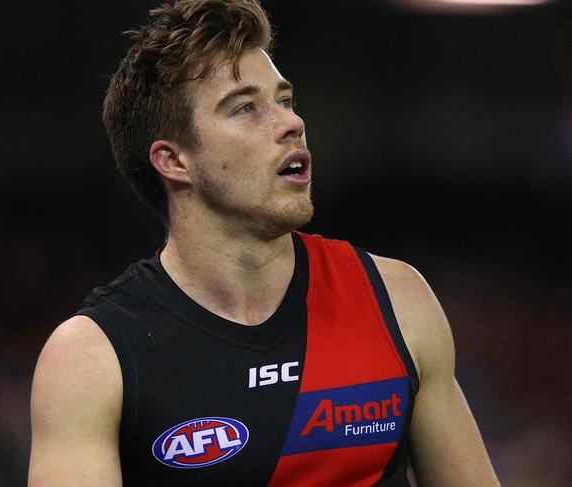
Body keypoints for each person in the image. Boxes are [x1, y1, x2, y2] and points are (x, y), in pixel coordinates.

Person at [28, 1, 499, 485]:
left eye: (286, 100)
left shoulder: (397, 299)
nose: (290, 123)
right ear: (174, 161)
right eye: (246, 108)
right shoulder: (91, 357)